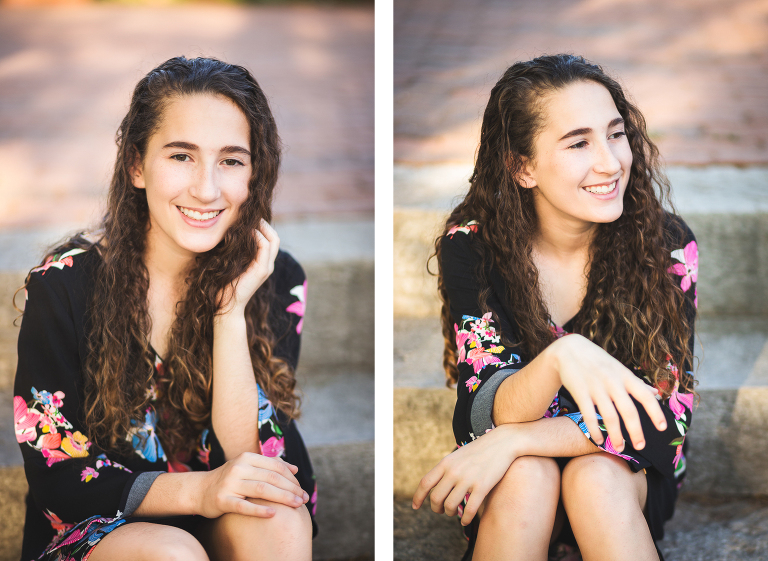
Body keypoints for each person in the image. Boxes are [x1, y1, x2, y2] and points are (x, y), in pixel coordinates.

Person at [13, 56, 317, 561]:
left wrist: (229, 313)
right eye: (181, 156)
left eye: (231, 160)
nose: (206, 189)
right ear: (137, 165)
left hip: (218, 520)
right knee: (172, 554)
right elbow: (57, 470)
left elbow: (250, 459)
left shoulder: (274, 278)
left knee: (278, 519)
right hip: (105, 531)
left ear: (254, 173)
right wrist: (199, 491)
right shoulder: (63, 285)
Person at [412, 54, 698, 561]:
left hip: (624, 475)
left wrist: (512, 442)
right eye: (579, 143)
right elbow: (486, 407)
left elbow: (660, 418)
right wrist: (564, 359)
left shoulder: (665, 247)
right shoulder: (474, 246)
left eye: (616, 134)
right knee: (526, 477)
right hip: (514, 480)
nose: (611, 162)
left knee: (595, 479)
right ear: (522, 167)